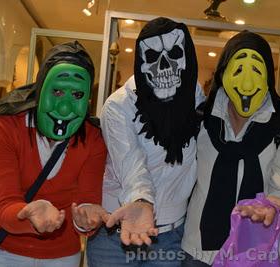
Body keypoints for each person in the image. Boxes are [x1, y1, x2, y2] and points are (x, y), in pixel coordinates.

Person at [181, 31, 280, 267]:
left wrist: (270, 209)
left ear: (268, 77)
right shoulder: (201, 118)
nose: (246, 83)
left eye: (256, 70)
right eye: (238, 70)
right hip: (199, 253)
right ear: (223, 73)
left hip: (262, 253)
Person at [0, 41, 108, 267]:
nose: (65, 108)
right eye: (57, 91)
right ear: (40, 89)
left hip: (63, 256)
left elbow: (87, 201)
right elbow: (6, 203)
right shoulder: (4, 126)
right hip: (3, 251)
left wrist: (86, 220)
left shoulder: (93, 138)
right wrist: (28, 214)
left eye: (77, 95)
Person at [87, 17, 205, 267]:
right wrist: (141, 201)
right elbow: (131, 165)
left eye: (174, 54)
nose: (165, 67)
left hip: (171, 235)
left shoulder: (194, 97)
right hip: (117, 236)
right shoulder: (119, 106)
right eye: (152, 57)